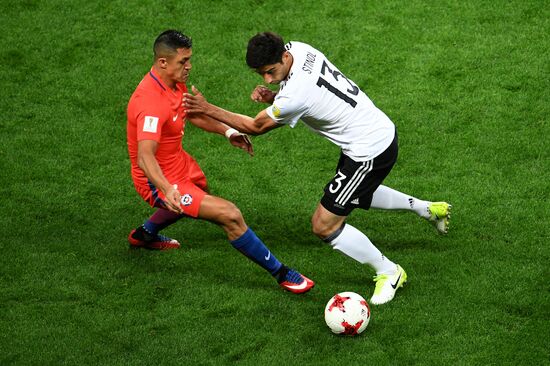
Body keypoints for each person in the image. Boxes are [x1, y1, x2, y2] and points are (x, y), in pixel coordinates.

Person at [183, 32, 452, 305]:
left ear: (284, 56)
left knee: (324, 225)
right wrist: (274, 98)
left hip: (369, 150)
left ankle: (389, 271)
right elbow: (313, 92)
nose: (266, 79)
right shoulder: (301, 49)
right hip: (371, 132)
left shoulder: (294, 96)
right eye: (261, 74)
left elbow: (256, 126)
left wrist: (208, 108)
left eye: (270, 71)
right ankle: (427, 209)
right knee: (358, 192)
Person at [126, 30, 314, 294]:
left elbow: (191, 113)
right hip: (158, 179)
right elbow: (145, 158)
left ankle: (144, 235)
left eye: (189, 59)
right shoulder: (149, 103)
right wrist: (167, 189)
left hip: (180, 165)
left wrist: (228, 131)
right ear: (162, 62)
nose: (189, 66)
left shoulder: (172, 81)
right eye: (183, 62)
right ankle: (283, 274)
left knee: (199, 194)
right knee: (229, 215)